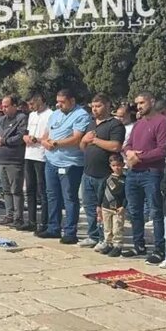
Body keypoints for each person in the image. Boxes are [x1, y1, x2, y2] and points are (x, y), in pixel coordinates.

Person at [122, 91, 166, 263]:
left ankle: (159, 248)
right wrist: (128, 152)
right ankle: (138, 245)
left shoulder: (162, 122)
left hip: (151, 173)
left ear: (152, 101)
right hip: (133, 172)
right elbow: (127, 144)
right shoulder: (138, 124)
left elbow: (162, 150)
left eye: (142, 102)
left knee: (155, 211)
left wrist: (140, 157)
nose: (139, 106)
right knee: (134, 211)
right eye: (137, 103)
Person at [37, 89, 91, 244]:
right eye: (58, 101)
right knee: (52, 195)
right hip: (51, 161)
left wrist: (56, 143)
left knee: (69, 197)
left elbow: (76, 138)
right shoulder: (55, 114)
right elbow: (48, 133)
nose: (59, 104)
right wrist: (45, 141)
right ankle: (53, 228)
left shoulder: (81, 114)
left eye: (62, 102)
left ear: (72, 101)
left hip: (70, 163)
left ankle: (70, 231)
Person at [79, 93, 125, 250]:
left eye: (98, 106)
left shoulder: (115, 124)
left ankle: (106, 239)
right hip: (88, 173)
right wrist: (84, 141)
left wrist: (94, 140)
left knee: (104, 210)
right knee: (89, 206)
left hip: (105, 175)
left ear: (107, 105)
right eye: (92, 106)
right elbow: (82, 147)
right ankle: (93, 235)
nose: (94, 109)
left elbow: (115, 146)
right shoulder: (91, 124)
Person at [0, 95, 28, 226]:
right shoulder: (2, 119)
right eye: (2, 106)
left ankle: (18, 218)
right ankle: (9, 215)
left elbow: (20, 137)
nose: (4, 108)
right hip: (2, 159)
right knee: (6, 190)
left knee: (16, 190)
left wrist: (4, 141)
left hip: (15, 160)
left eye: (7, 106)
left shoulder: (21, 118)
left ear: (15, 106)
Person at [24, 94, 52, 233]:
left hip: (41, 155)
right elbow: (27, 131)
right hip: (29, 154)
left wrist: (37, 139)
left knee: (43, 191)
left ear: (40, 102)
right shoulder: (32, 115)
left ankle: (44, 223)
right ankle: (31, 220)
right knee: (30, 189)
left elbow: (50, 136)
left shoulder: (50, 114)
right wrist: (26, 137)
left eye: (32, 104)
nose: (31, 107)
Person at [97, 154, 127, 257]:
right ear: (110, 166)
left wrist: (123, 206)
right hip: (106, 207)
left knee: (117, 228)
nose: (116, 167)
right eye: (114, 165)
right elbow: (101, 192)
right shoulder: (107, 178)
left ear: (123, 165)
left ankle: (117, 246)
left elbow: (127, 195)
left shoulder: (125, 179)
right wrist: (98, 205)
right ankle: (108, 244)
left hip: (118, 208)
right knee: (107, 228)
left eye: (119, 165)